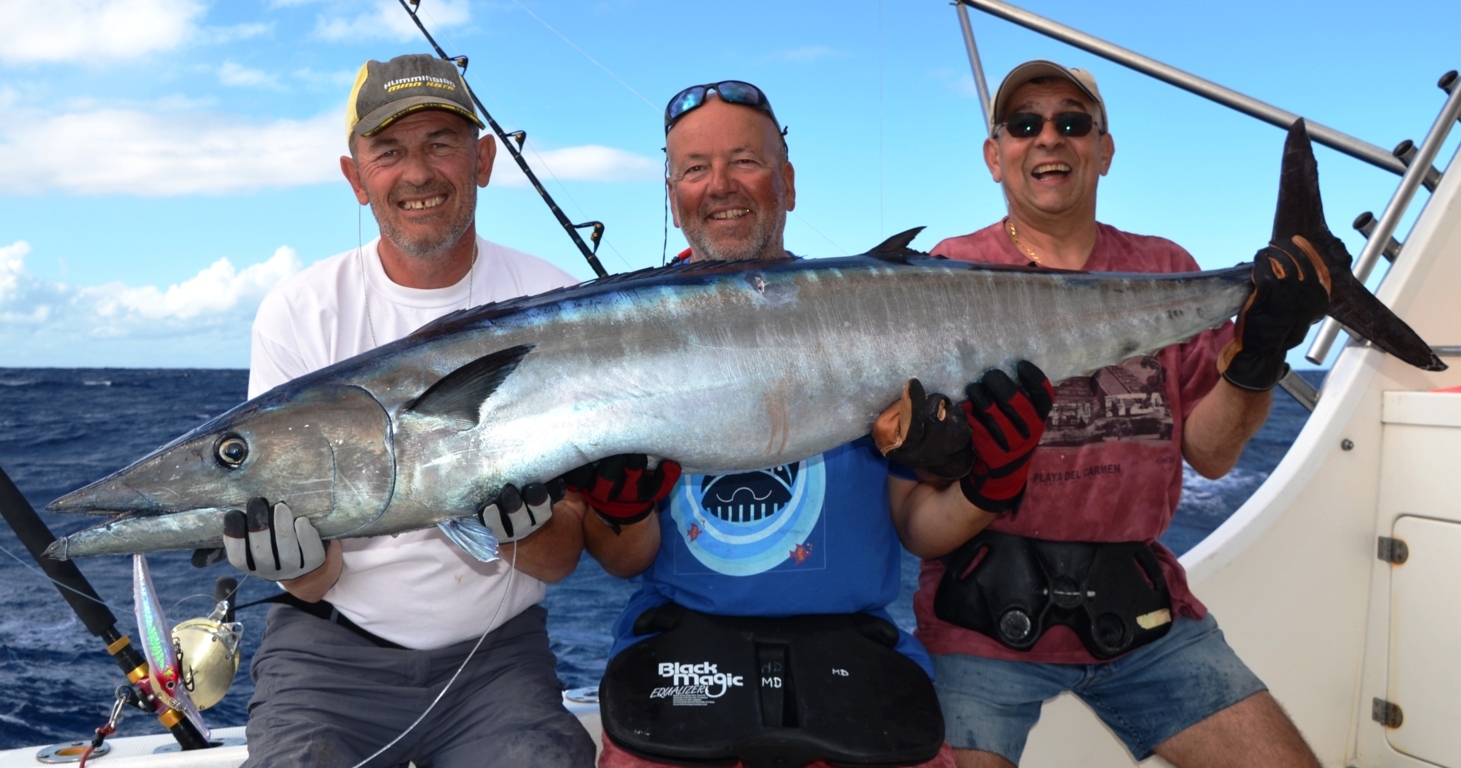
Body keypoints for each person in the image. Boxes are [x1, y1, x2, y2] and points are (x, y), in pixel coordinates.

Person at [886, 61, 1328, 767]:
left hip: (1147, 612)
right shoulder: (947, 271)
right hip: (978, 622)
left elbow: (1210, 453)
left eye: (1071, 122)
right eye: (1024, 125)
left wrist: (1257, 357)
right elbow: (915, 514)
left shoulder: (1163, 266)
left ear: (1104, 148)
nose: (1047, 139)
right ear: (993, 156)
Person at [225, 53, 597, 768]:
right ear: (356, 179)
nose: (417, 173)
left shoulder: (559, 302)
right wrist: (292, 564)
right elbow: (314, 580)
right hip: (326, 654)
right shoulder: (300, 312)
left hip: (497, 661)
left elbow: (560, 558)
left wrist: (530, 527)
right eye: (389, 152)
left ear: (483, 160)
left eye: (441, 144)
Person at [584, 81, 957, 768]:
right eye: (694, 168)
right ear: (673, 193)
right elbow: (622, 558)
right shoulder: (613, 337)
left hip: (856, 653)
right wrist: (618, 510)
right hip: (678, 654)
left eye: (743, 162)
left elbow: (919, 528)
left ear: (787, 183)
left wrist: (989, 483)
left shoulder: (879, 319)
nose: (719, 185)